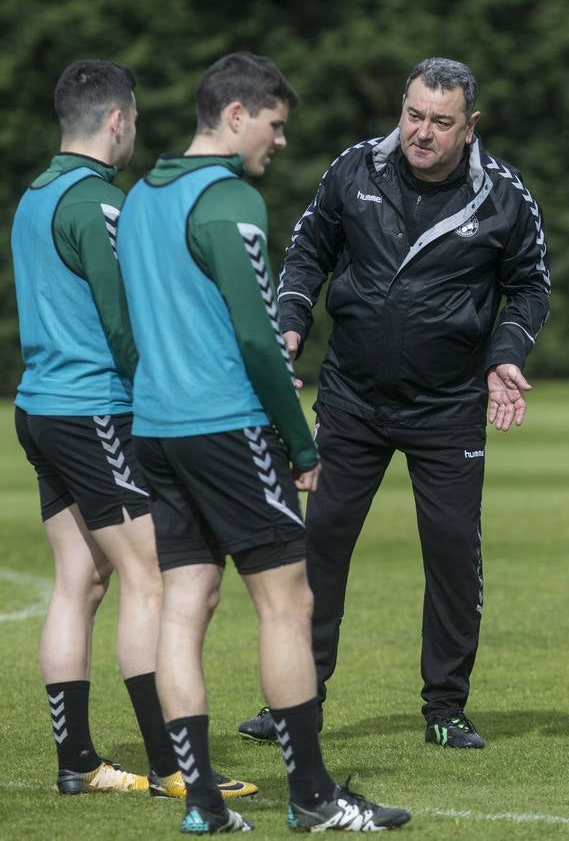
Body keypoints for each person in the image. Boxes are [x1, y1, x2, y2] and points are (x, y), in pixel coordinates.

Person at [117, 51, 411, 834]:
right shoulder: (230, 201)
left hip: (156, 428)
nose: (280, 141)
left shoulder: (141, 196)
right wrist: (301, 443)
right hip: (226, 425)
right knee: (290, 604)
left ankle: (202, 806)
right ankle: (313, 799)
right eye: (276, 125)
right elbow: (257, 338)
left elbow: (129, 315)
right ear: (238, 114)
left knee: (186, 603)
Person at [238, 56, 551, 750]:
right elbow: (308, 251)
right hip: (351, 398)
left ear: (470, 126)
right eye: (414, 114)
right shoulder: (354, 170)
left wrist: (507, 353)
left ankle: (445, 707)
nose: (422, 132)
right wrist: (291, 317)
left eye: (441, 121)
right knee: (320, 544)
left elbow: (530, 285)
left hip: (447, 408)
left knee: (449, 553)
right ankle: (298, 700)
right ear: (401, 108)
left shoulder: (503, 196)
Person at [11, 59, 255, 801]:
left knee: (79, 581)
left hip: (38, 406)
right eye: (136, 121)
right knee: (153, 577)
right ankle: (172, 764)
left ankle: (77, 761)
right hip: (94, 409)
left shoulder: (32, 195)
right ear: (118, 121)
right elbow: (123, 323)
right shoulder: (98, 202)